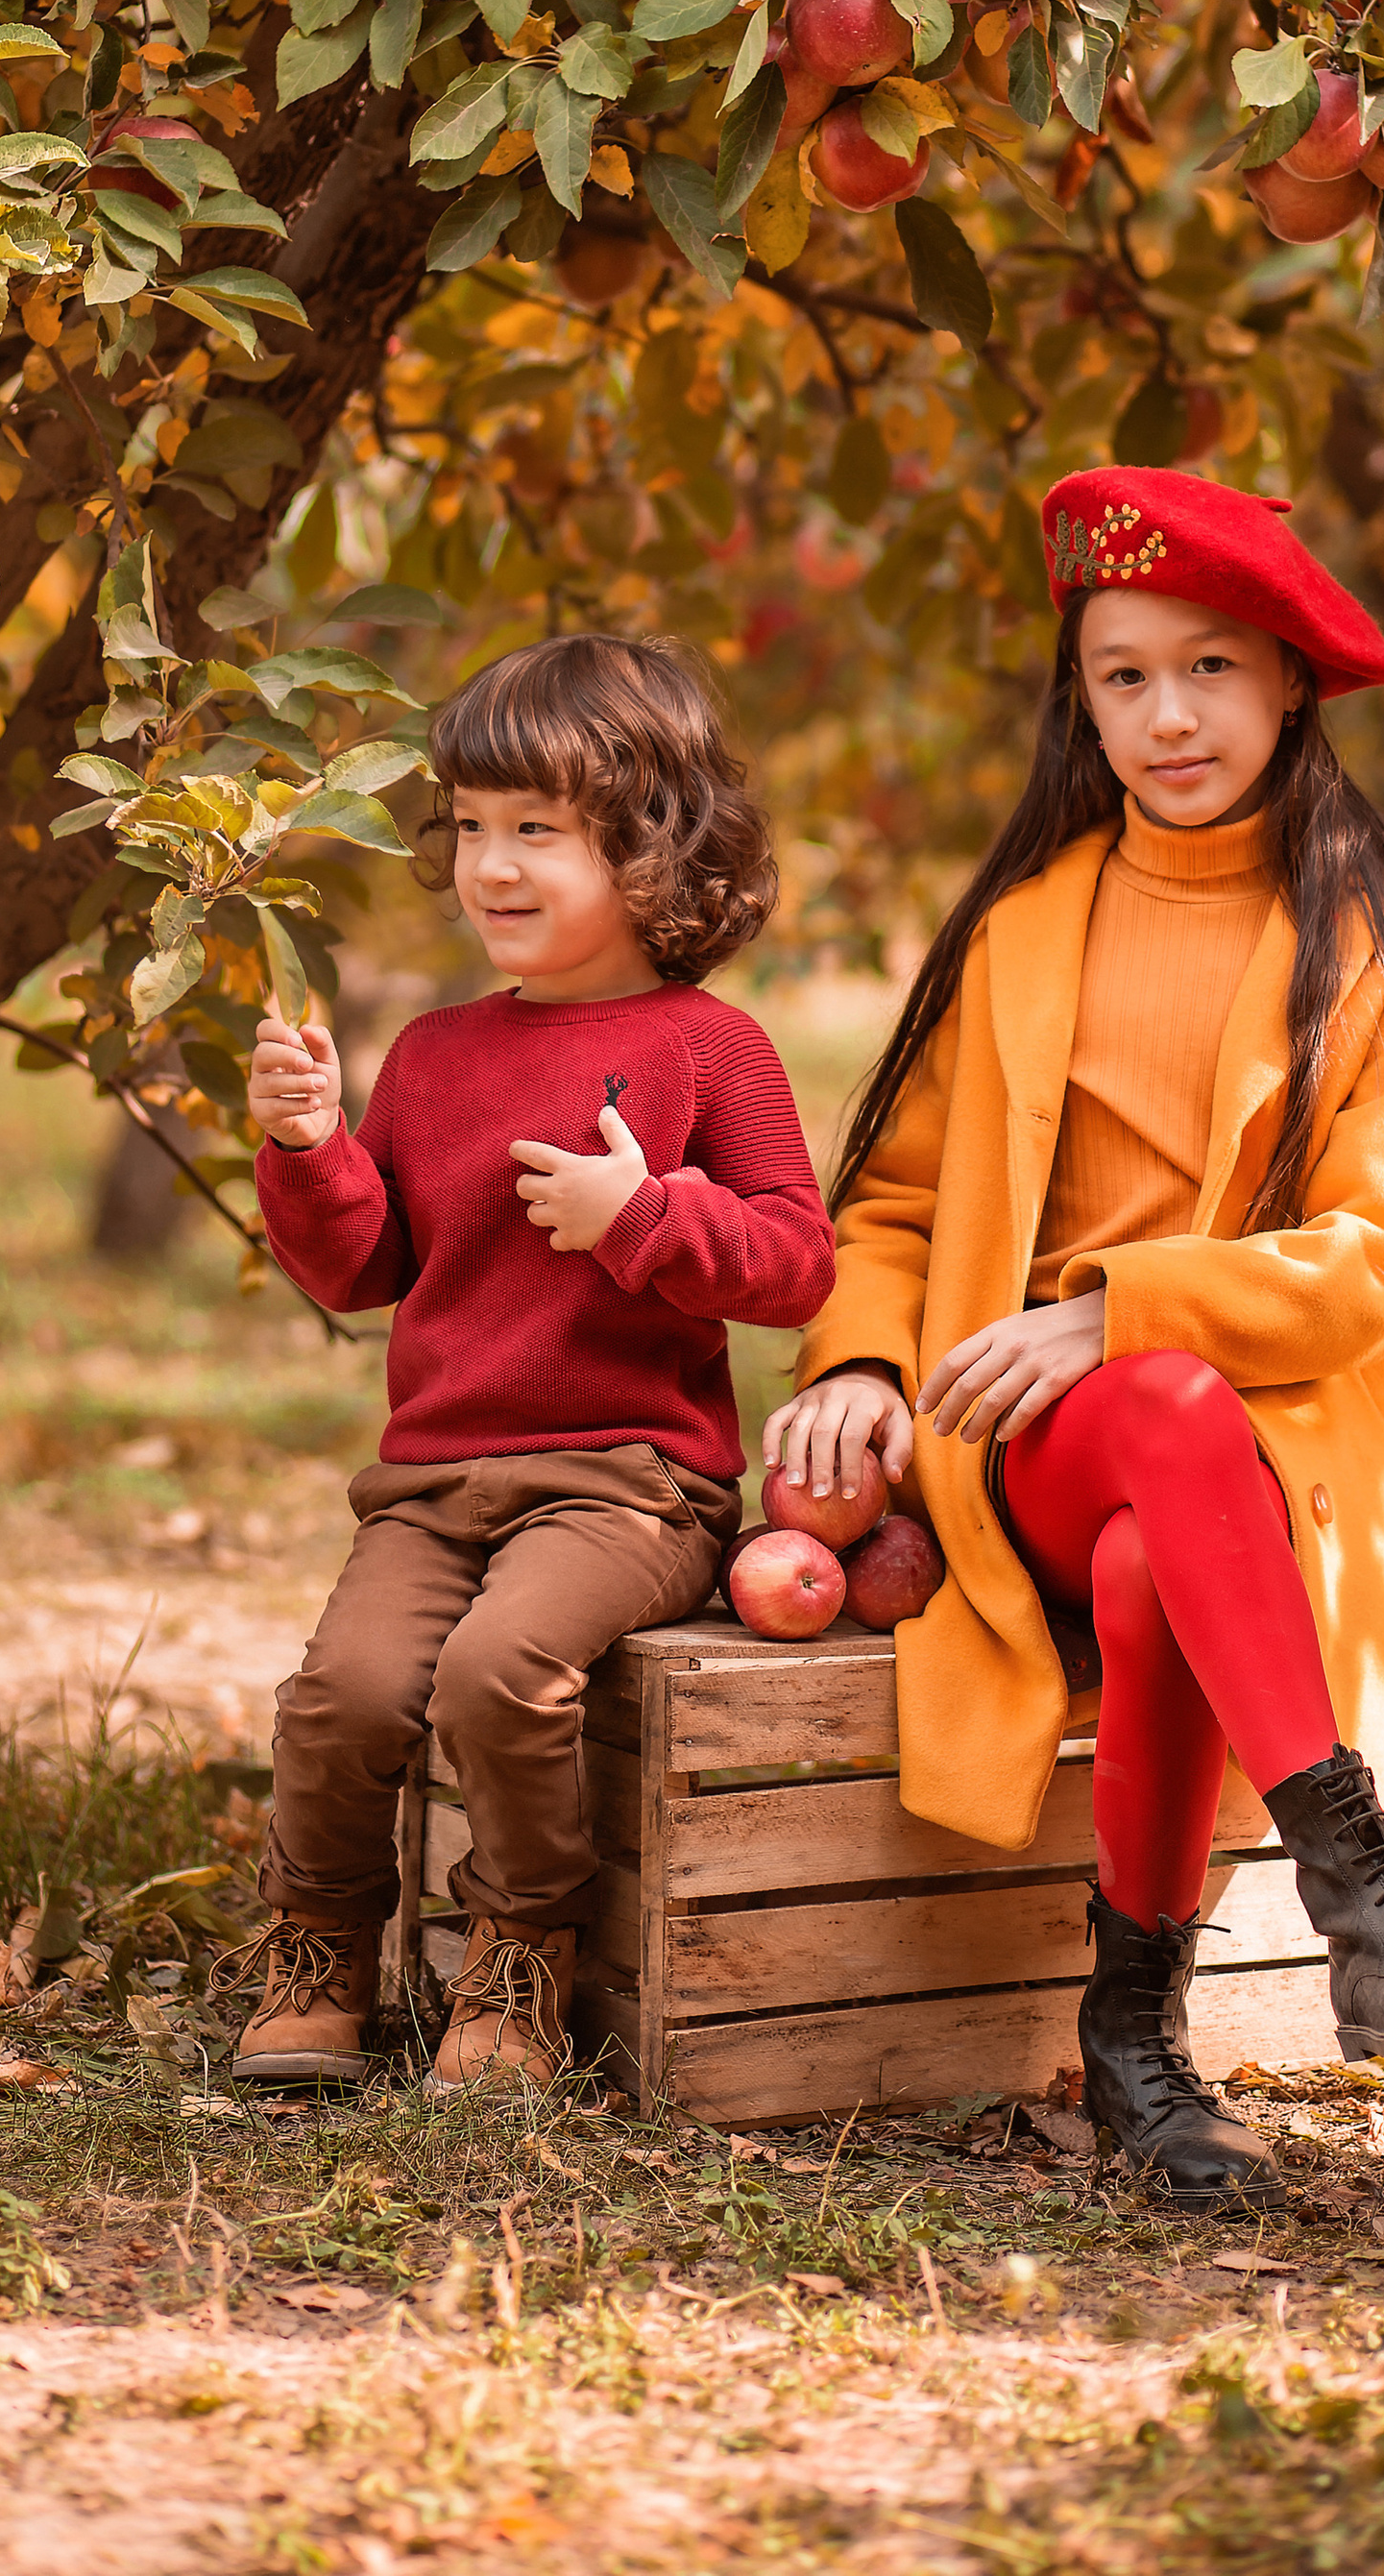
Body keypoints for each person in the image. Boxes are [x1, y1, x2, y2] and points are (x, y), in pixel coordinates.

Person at [765, 467, 1384, 2212]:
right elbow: (893, 1204)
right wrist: (865, 1364)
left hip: (1266, 1466)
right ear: (1084, 699)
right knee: (1160, 1414)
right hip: (1013, 1445)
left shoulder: (1378, 957)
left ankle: (1133, 2037)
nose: (1168, 716)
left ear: (1289, 684)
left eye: (1208, 669)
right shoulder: (1022, 934)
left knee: (1153, 1541)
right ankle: (1369, 1893)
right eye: (1124, 676)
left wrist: (1123, 1310)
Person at [237, 632, 836, 2097]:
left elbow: (794, 1261)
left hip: (631, 1485)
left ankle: (519, 1958)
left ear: (652, 847)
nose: (490, 867)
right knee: (344, 1693)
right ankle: (320, 1949)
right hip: (436, 1481)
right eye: (470, 828)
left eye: (537, 833)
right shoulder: (435, 1054)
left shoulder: (712, 1049)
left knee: (499, 1673)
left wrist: (643, 1217)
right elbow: (366, 1265)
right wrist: (311, 1148)